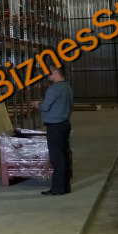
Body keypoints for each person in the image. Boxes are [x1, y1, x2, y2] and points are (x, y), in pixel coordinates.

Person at [33, 65, 73, 195]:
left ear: (55, 71)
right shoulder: (67, 87)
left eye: (48, 72)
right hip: (65, 123)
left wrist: (37, 104)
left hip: (55, 126)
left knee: (57, 158)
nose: (47, 75)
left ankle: (57, 188)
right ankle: (65, 187)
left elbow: (45, 107)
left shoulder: (53, 89)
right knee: (64, 155)